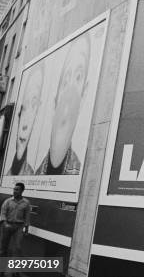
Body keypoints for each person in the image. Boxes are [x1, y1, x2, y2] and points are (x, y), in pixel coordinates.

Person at [36, 34, 90, 175]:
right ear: (55, 99)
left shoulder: (79, 171)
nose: (69, 93)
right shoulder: (36, 172)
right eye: (65, 80)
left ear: (84, 96)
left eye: (78, 77)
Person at [6, 64, 44, 176]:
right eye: (25, 107)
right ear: (18, 115)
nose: (25, 125)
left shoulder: (33, 173)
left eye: (33, 105)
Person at [0, 183, 31, 257]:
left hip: (19, 227)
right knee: (3, 246)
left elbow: (27, 217)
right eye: (14, 189)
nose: (14, 191)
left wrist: (26, 229)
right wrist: (5, 224)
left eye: (17, 190)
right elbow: (3, 213)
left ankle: (13, 266)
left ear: (22, 191)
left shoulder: (26, 203)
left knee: (17, 247)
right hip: (7, 225)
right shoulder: (8, 201)